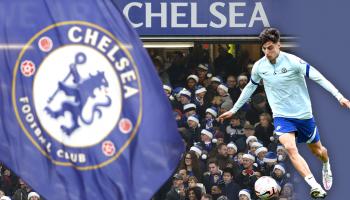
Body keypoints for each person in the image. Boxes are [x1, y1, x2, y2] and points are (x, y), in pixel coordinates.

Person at [218, 27, 350, 198]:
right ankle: (314, 185)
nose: (267, 51)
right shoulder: (259, 66)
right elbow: (250, 87)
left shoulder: (293, 62)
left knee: (319, 152)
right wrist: (234, 110)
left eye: (270, 47)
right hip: (282, 116)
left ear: (279, 45)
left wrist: (340, 97)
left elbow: (319, 77)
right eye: (264, 48)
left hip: (303, 116)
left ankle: (326, 165)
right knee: (290, 148)